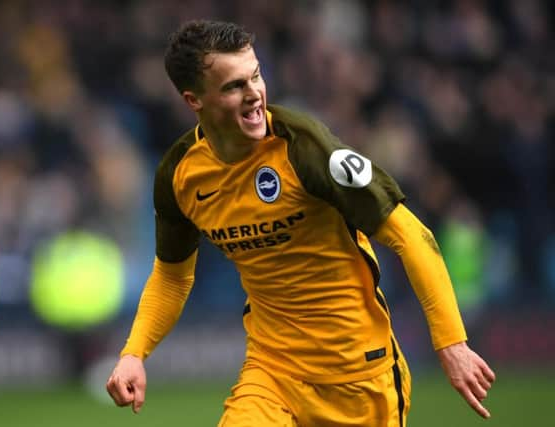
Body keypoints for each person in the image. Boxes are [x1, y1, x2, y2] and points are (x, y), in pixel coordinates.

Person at [106, 20, 495, 426]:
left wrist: (452, 343)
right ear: (194, 100)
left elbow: (412, 235)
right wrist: (134, 353)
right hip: (272, 374)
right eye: (234, 85)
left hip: (360, 377)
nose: (255, 93)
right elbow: (171, 276)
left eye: (256, 76)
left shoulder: (304, 147)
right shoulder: (180, 175)